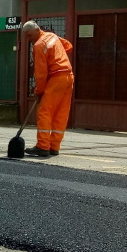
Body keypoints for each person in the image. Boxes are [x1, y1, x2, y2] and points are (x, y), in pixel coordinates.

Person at [20, 20, 74, 157]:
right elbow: (68, 46)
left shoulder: (38, 46)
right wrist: (57, 57)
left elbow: (41, 74)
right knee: (60, 113)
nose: (28, 39)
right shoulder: (52, 36)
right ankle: (54, 147)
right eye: (26, 36)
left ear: (37, 30)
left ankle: (43, 146)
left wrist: (39, 90)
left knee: (45, 111)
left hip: (55, 78)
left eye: (29, 35)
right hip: (68, 76)